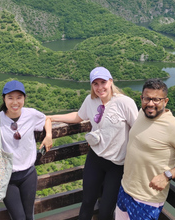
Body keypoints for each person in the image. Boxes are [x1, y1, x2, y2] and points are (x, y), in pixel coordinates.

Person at [49, 67, 138, 220]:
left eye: (103, 82)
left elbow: (136, 132)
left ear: (110, 81)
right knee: (87, 202)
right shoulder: (90, 101)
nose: (99, 87)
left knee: (105, 210)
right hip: (95, 158)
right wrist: (51, 118)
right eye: (95, 84)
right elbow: (78, 116)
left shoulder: (124, 103)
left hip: (117, 164)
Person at [115, 78, 175, 220]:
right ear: (141, 98)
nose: (150, 104)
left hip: (147, 199)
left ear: (165, 101)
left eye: (156, 100)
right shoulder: (141, 113)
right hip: (125, 189)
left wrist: (167, 175)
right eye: (147, 98)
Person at [0, 80, 53, 220]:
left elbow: (46, 119)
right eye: (10, 98)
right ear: (4, 99)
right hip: (7, 178)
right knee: (18, 217)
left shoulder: (31, 115)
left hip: (29, 174)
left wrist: (49, 135)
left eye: (19, 97)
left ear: (24, 98)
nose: (15, 102)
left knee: (29, 216)